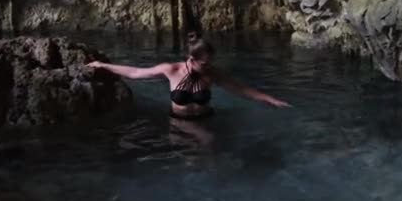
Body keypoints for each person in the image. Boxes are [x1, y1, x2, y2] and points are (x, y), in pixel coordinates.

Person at [86, 33, 291, 120]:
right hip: (178, 122)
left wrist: (269, 98)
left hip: (207, 119)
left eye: (211, 61)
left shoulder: (213, 73)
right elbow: (136, 72)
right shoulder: (171, 70)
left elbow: (240, 88)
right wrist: (103, 65)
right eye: (205, 63)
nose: (209, 66)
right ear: (191, 59)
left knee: (207, 151)